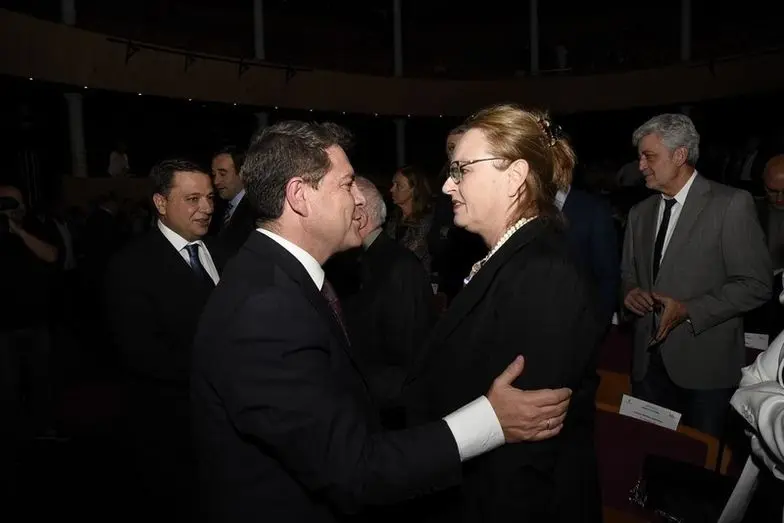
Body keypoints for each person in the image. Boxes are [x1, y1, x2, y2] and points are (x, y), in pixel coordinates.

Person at [191, 120, 573, 523]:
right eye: (347, 185)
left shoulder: (279, 279)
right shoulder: (265, 309)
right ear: (300, 196)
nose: (360, 199)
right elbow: (354, 469)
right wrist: (490, 420)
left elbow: (338, 389)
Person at [404, 104, 604, 522]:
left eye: (461, 170)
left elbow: (529, 446)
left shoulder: (544, 270)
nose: (447, 185)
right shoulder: (510, 257)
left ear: (514, 177)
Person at [621, 114, 772, 437]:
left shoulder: (731, 204)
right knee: (648, 455)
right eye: (640, 157)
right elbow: (628, 274)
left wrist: (689, 309)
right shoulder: (639, 213)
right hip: (647, 367)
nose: (641, 166)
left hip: (705, 370)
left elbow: (757, 285)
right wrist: (630, 293)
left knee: (698, 463)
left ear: (679, 155)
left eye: (649, 156)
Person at [104, 159, 226, 517]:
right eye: (192, 199)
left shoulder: (226, 253)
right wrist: (224, 372)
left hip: (228, 426)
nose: (207, 208)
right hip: (172, 429)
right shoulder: (130, 266)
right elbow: (140, 353)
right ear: (160, 203)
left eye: (210, 197)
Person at [210, 145, 257, 256]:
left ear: (242, 173)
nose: (216, 181)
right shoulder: (219, 208)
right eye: (214, 175)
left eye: (222, 174)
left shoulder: (255, 210)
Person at [386, 165, 434, 273]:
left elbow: (409, 254)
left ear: (414, 190)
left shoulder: (425, 220)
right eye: (393, 184)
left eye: (398, 185)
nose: (391, 189)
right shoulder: (393, 218)